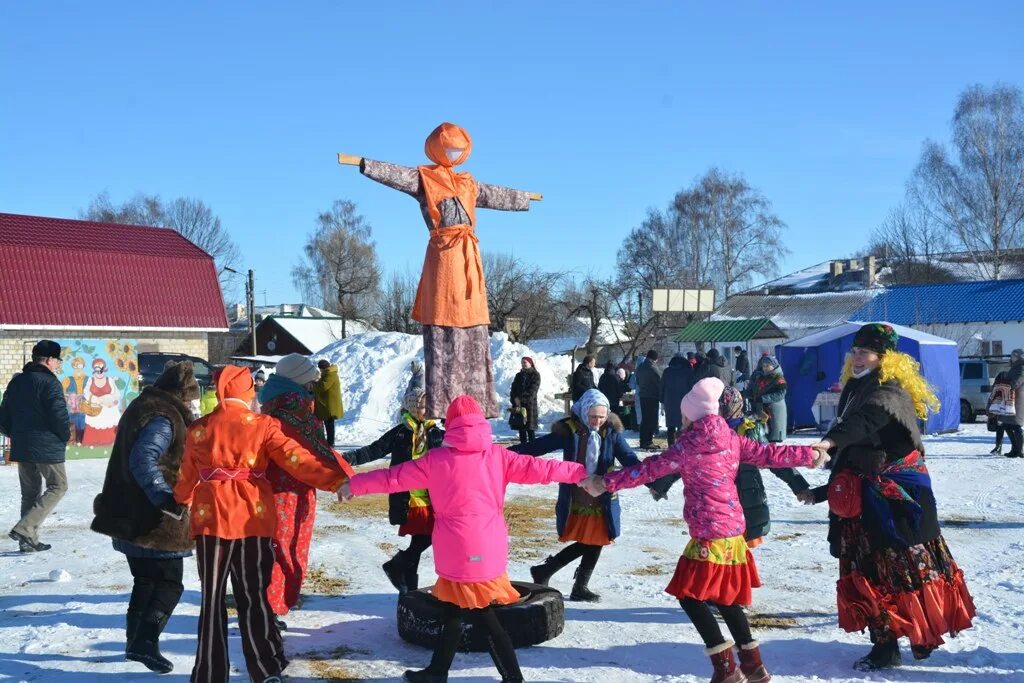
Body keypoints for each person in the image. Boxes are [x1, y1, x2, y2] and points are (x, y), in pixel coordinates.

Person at [583, 378, 827, 683]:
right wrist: (810, 454)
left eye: (684, 415)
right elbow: (770, 455)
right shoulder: (732, 438)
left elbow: (650, 469)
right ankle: (753, 665)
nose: (682, 419)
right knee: (724, 599)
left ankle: (725, 668)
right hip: (733, 535)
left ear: (693, 414)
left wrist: (605, 482)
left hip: (709, 534)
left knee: (689, 595)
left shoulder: (688, 445)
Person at [341, 395, 586, 683]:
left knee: (483, 616)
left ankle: (512, 678)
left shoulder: (435, 460)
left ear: (451, 425)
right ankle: (437, 671)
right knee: (455, 611)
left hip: (456, 551)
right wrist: (580, 473)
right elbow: (542, 468)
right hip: (488, 547)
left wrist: (354, 485)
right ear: (481, 423)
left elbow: (392, 478)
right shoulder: (499, 457)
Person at [800, 323, 975, 672]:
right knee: (872, 574)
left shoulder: (888, 391)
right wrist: (824, 491)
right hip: (866, 502)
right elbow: (855, 448)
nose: (857, 357)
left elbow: (862, 425)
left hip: (898, 502)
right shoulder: (856, 387)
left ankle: (922, 633)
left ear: (885, 357)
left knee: (907, 572)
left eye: (864, 352)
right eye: (855, 351)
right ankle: (885, 645)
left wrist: (828, 442)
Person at [174, 365, 351, 683]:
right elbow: (298, 460)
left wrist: (179, 501)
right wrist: (335, 480)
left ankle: (209, 674)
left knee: (211, 598)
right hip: (253, 518)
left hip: (209, 519)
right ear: (246, 392)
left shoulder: (198, 428)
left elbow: (186, 476)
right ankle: (265, 667)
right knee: (253, 595)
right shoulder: (264, 425)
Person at [90, 360, 200, 673]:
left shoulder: (144, 405)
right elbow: (143, 459)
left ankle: (134, 642)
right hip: (152, 519)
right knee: (169, 585)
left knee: (146, 581)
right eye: (190, 396)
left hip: (127, 512)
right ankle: (145, 642)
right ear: (179, 393)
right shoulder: (165, 416)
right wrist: (164, 499)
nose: (192, 402)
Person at [511, 389, 647, 602]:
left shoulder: (610, 432)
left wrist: (652, 478)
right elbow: (538, 446)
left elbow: (628, 457)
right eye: (593, 416)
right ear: (584, 412)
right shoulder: (570, 430)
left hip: (602, 494)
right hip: (577, 494)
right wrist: (506, 454)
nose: (597, 421)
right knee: (594, 540)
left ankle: (553, 573)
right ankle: (567, 580)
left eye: (602, 417)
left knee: (598, 538)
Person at [650, 386, 810, 549]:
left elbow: (772, 458)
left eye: (724, 406)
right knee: (719, 546)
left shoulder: (749, 430)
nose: (721, 410)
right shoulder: (705, 433)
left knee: (738, 549)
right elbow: (682, 461)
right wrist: (661, 484)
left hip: (747, 494)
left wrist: (799, 485)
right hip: (717, 498)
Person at [260, 354, 354, 626]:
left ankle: (274, 604)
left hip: (285, 487)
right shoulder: (292, 407)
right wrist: (341, 478)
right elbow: (309, 450)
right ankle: (272, 608)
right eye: (310, 377)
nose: (314, 381)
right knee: (284, 548)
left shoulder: (277, 401)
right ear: (299, 378)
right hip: (289, 489)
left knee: (281, 546)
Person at [342, 361, 444, 594]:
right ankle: (407, 586)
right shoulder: (400, 433)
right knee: (422, 538)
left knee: (426, 539)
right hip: (409, 500)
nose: (427, 409)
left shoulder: (436, 434)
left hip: (433, 499)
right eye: (422, 405)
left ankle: (400, 570)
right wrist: (345, 459)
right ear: (411, 407)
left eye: (429, 405)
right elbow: (373, 450)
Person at [0, 340, 70, 552]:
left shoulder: (17, 382)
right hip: (46, 445)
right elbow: (59, 415)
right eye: (58, 360)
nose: (58, 364)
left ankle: (27, 542)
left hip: (22, 444)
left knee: (29, 493)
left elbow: (3, 415)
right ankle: (25, 528)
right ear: (49, 360)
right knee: (58, 486)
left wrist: (15, 434)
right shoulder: (50, 383)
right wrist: (64, 435)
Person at [81, 357, 123, 445]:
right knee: (93, 428)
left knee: (110, 429)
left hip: (108, 409)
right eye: (97, 367)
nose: (99, 369)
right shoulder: (90, 380)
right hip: (95, 409)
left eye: (101, 366)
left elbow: (116, 394)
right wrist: (96, 400)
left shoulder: (110, 380)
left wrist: (110, 400)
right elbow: (86, 393)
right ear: (93, 368)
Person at [747, 355, 788, 442]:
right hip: (762, 411)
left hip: (775, 411)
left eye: (767, 366)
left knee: (773, 437)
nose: (765, 368)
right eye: (764, 366)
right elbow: (755, 390)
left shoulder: (779, 378)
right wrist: (744, 394)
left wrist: (763, 398)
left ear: (773, 365)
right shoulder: (761, 377)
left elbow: (781, 394)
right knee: (763, 436)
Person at [661, 354, 696, 444]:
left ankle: (671, 447)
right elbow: (692, 387)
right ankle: (681, 447)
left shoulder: (667, 371)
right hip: (684, 402)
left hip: (669, 402)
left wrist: (662, 400)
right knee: (683, 426)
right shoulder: (689, 372)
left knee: (670, 426)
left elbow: (662, 387)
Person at [509, 356, 541, 443]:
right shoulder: (518, 375)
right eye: (522, 362)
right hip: (518, 406)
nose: (523, 364)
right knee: (521, 430)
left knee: (530, 431)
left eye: (525, 362)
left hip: (529, 406)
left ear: (530, 363)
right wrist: (515, 399)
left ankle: (533, 451)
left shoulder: (535, 375)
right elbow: (513, 389)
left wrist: (521, 399)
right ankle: (522, 451)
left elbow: (533, 390)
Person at [999, 349, 1024, 458]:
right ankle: (1015, 449)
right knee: (1007, 425)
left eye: (1013, 356)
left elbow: (1015, 383)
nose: (1011, 358)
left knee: (1016, 425)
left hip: (1017, 400)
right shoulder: (1015, 367)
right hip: (1010, 399)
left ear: (1017, 357)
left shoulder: (1021, 368)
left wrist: (1004, 382)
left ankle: (1019, 451)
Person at [635, 349, 662, 448]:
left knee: (645, 419)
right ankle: (648, 442)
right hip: (652, 396)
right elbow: (659, 382)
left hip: (643, 395)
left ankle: (643, 440)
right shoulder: (652, 367)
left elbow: (637, 381)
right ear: (655, 358)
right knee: (651, 420)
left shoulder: (641, 366)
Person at [314, 359, 344, 446]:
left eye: (320, 369)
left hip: (329, 405)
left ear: (322, 368)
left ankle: (330, 443)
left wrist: (314, 384)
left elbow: (323, 386)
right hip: (327, 404)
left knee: (329, 425)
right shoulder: (329, 373)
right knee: (328, 424)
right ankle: (329, 443)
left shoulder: (330, 374)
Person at [62, 357, 88, 445]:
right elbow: (62, 391)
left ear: (83, 366)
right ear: (73, 366)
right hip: (72, 405)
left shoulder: (88, 379)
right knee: (73, 423)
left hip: (84, 405)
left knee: (83, 422)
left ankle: (81, 440)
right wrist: (69, 397)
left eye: (80, 365)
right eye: (76, 365)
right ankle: (73, 440)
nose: (78, 367)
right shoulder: (68, 379)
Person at [986, 369, 1010, 455]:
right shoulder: (1010, 384)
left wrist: (989, 409)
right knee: (1010, 428)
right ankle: (1018, 448)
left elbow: (992, 396)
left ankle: (998, 447)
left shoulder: (997, 385)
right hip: (1009, 409)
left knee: (1000, 429)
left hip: (998, 409)